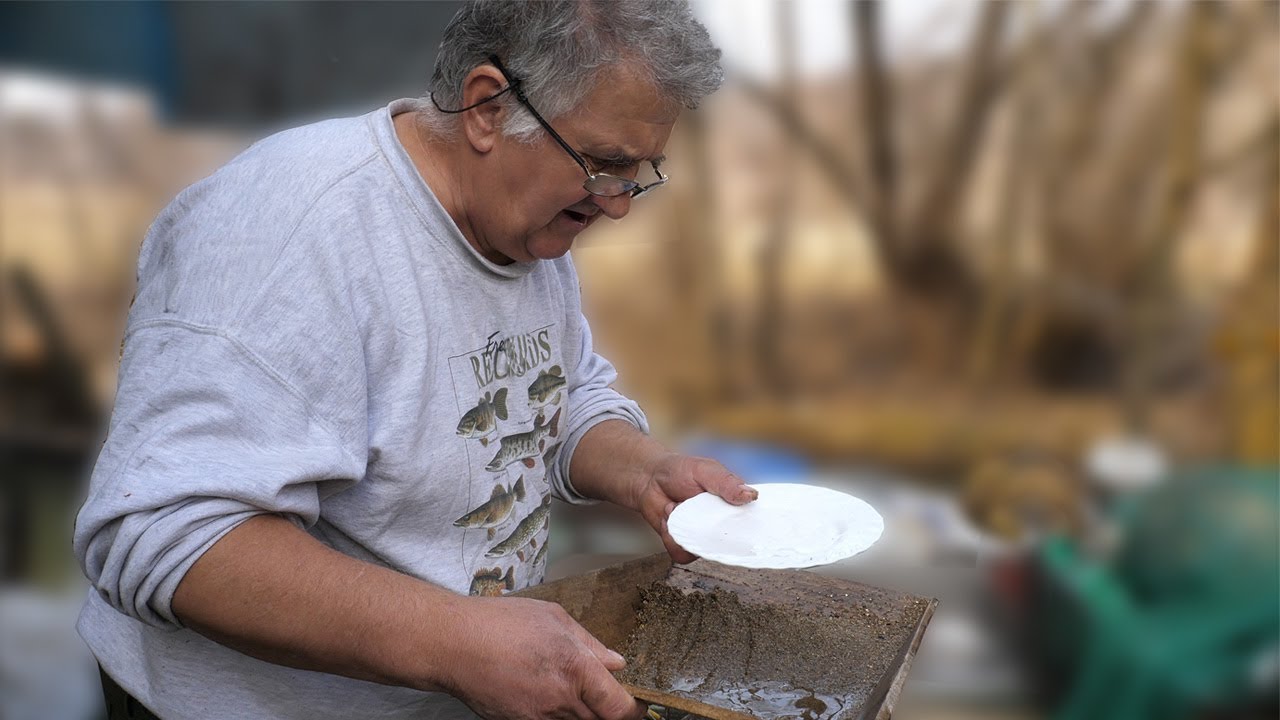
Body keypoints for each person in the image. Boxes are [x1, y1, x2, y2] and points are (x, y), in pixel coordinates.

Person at [72, 2, 756, 719]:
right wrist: (456, 642)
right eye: (602, 164)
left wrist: (645, 470)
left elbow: (557, 395)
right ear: (488, 108)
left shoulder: (522, 225)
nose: (617, 203)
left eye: (638, 172)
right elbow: (160, 534)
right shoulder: (287, 235)